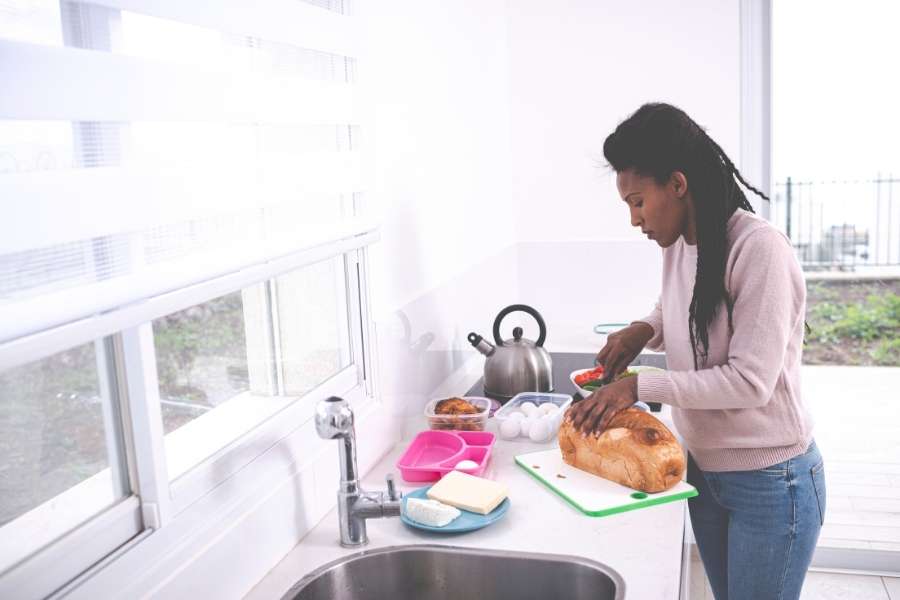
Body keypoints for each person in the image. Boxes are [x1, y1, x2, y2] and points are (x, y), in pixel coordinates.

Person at [568, 103, 825, 600]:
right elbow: (678, 305)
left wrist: (639, 385)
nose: (634, 218)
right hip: (705, 472)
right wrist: (642, 329)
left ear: (678, 185)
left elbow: (750, 382)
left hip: (772, 484)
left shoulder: (759, 249)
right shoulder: (682, 243)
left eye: (638, 201)